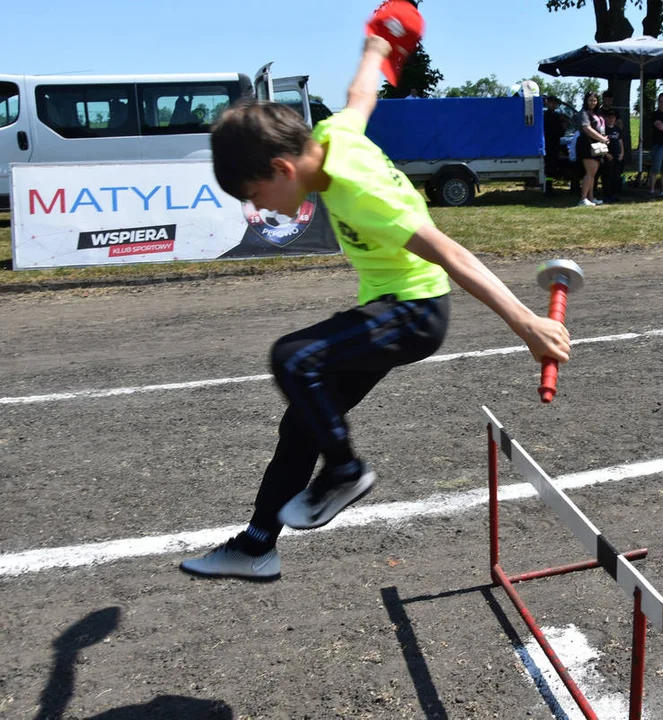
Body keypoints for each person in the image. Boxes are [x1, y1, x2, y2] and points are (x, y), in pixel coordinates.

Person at [180, 0, 571, 581]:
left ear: (283, 171)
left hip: (414, 313)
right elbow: (361, 95)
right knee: (302, 422)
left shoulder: (357, 191)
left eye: (255, 195)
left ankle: (344, 471)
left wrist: (527, 325)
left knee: (293, 358)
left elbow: (450, 252)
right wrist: (379, 41)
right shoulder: (330, 137)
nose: (255, 208)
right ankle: (258, 544)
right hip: (390, 307)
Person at [574, 91, 606, 207]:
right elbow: (587, 129)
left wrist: (603, 138)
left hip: (597, 146)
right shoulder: (583, 113)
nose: (592, 102)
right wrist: (602, 138)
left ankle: (591, 198)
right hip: (587, 145)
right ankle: (583, 199)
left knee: (593, 173)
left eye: (595, 100)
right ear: (586, 101)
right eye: (590, 100)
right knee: (589, 172)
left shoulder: (596, 113)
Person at [601, 107, 624, 203]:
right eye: (609, 117)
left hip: (617, 155)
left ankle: (614, 195)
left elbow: (620, 141)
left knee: (616, 176)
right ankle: (606, 196)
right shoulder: (603, 129)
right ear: (606, 118)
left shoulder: (617, 129)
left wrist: (622, 153)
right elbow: (601, 142)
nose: (611, 119)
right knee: (607, 177)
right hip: (607, 156)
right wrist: (606, 154)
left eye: (613, 117)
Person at [542, 95, 565, 192]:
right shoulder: (557, 116)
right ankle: (548, 187)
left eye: (555, 103)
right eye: (552, 102)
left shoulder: (543, 116)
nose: (554, 105)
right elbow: (562, 131)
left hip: (548, 144)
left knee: (549, 167)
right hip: (552, 144)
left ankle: (548, 186)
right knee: (550, 167)